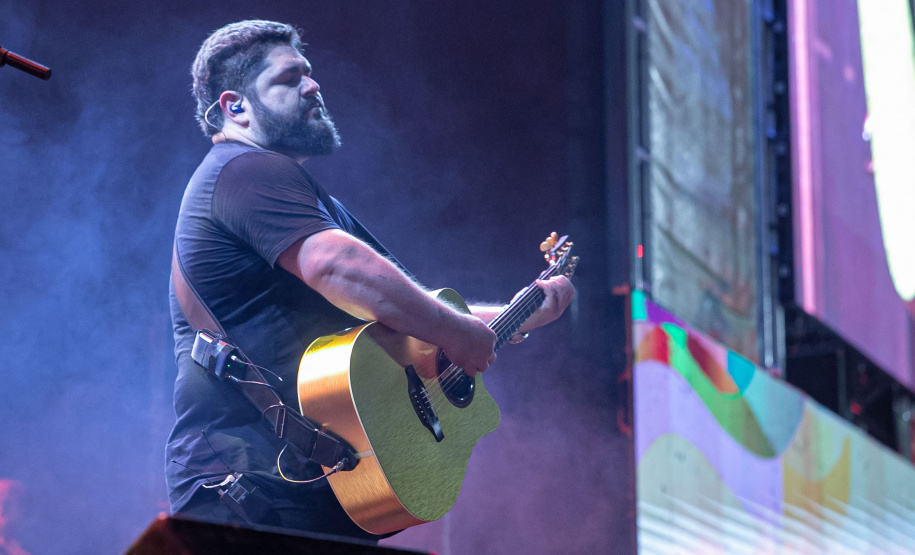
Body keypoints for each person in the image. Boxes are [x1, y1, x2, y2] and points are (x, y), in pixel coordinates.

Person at [165, 20, 575, 541]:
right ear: (235, 106)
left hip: (299, 490)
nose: (312, 86)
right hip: (249, 489)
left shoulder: (300, 196)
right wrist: (457, 333)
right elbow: (338, 267)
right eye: (289, 79)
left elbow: (405, 313)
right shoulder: (244, 170)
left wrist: (522, 311)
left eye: (310, 74)